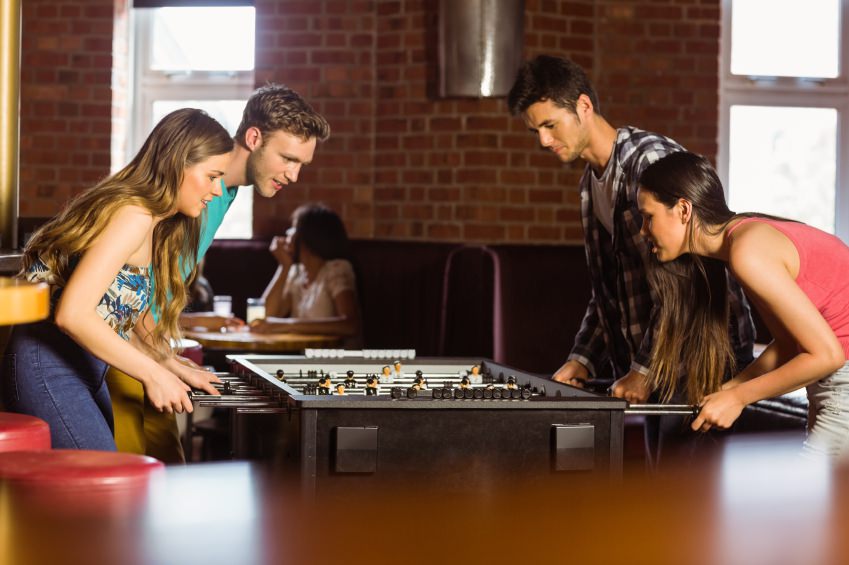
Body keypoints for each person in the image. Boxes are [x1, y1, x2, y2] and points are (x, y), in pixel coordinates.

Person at [507, 54, 755, 464]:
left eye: (550, 125)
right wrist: (581, 359)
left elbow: (684, 282)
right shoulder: (591, 187)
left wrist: (644, 369)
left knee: (688, 508)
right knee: (666, 506)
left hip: (704, 360)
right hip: (661, 366)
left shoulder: (650, 161)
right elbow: (607, 289)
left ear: (584, 107)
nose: (544, 141)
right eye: (536, 130)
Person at [107, 84, 331, 462]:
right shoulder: (191, 185)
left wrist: (165, 357)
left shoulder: (225, 193)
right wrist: (158, 358)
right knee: (133, 482)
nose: (293, 176)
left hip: (146, 348)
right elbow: (127, 288)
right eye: (287, 158)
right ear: (254, 137)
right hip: (119, 349)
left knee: (167, 469)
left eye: (301, 165)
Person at [0, 108, 232, 450]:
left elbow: (125, 309)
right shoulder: (133, 215)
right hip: (47, 363)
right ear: (179, 163)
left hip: (85, 365)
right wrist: (153, 374)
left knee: (99, 492)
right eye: (212, 176)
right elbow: (72, 313)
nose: (217, 190)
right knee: (100, 490)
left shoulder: (154, 221)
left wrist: (169, 362)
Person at [638, 151, 849, 458]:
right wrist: (731, 388)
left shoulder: (746, 252)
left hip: (841, 374)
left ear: (683, 209)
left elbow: (827, 355)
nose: (643, 230)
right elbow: (790, 345)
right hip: (832, 378)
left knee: (812, 500)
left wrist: (738, 397)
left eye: (648, 217)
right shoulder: (743, 240)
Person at [250, 203, 362, 347]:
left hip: (335, 361)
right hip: (303, 357)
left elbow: (350, 325)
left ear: (309, 235)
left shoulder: (337, 269)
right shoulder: (296, 272)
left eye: (293, 228)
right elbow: (264, 317)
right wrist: (284, 267)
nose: (287, 234)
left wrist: (288, 325)